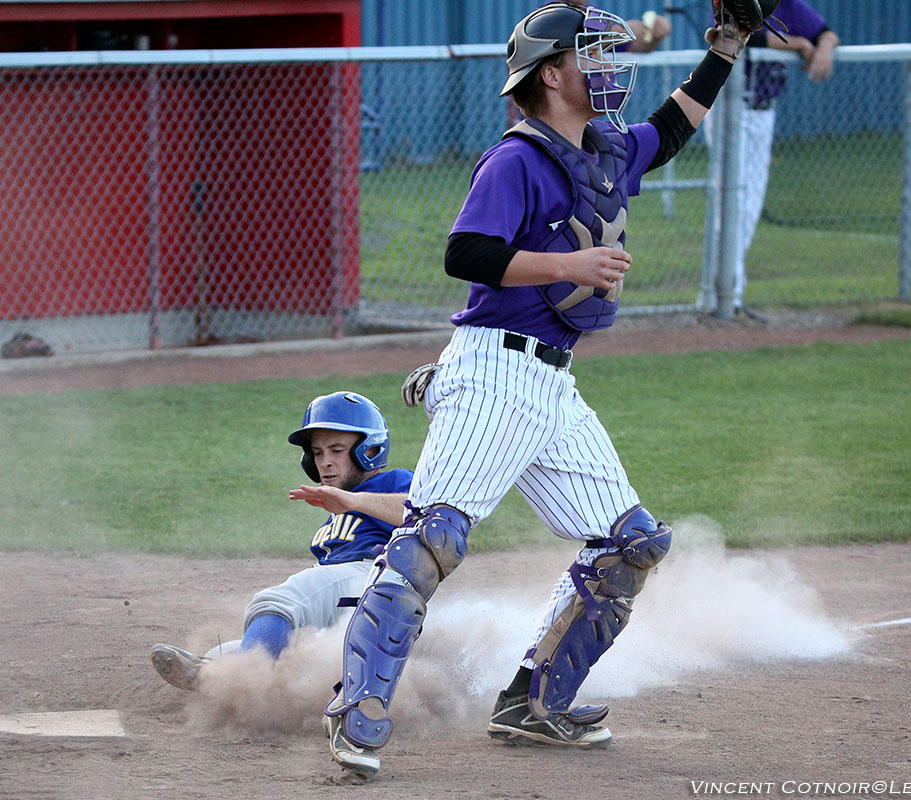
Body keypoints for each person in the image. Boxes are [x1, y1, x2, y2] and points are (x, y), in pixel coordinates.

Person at [320, 1, 751, 779]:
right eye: (591, 55)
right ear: (551, 73)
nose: (608, 67)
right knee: (433, 539)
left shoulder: (605, 149)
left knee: (632, 545)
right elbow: (467, 254)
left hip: (553, 383)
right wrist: (569, 267)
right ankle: (359, 710)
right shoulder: (515, 160)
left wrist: (726, 44)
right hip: (492, 371)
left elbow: (674, 126)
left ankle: (535, 704)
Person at [149, 391, 412, 691]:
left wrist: (352, 501)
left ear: (369, 449)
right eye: (317, 453)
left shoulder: (391, 483)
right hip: (346, 607)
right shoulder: (339, 507)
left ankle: (240, 685)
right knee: (223, 654)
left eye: (336, 449)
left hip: (373, 580)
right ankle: (251, 685)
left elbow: (426, 513)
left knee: (277, 602)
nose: (325, 462)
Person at [700, 0, 839, 317]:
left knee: (749, 202)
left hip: (763, 111)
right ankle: (724, 296)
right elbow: (734, 34)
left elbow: (826, 32)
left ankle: (723, 294)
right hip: (733, 107)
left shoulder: (789, 4)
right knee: (733, 201)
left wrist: (824, 48)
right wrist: (800, 44)